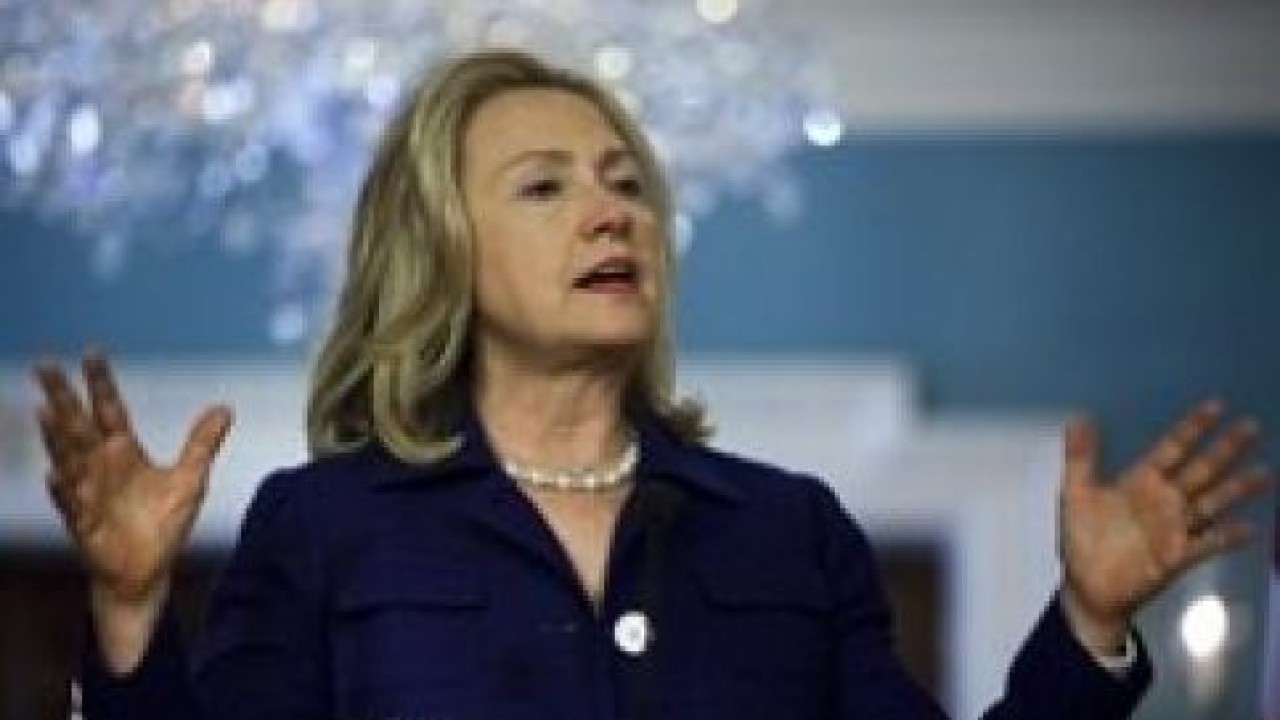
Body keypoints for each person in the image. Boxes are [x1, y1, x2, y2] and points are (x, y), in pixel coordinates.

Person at [32, 49, 1271, 720]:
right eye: (544, 186)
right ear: (442, 253)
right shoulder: (323, 527)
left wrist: (1088, 625)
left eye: (624, 183)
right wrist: (130, 614)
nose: (609, 210)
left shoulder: (789, 529)